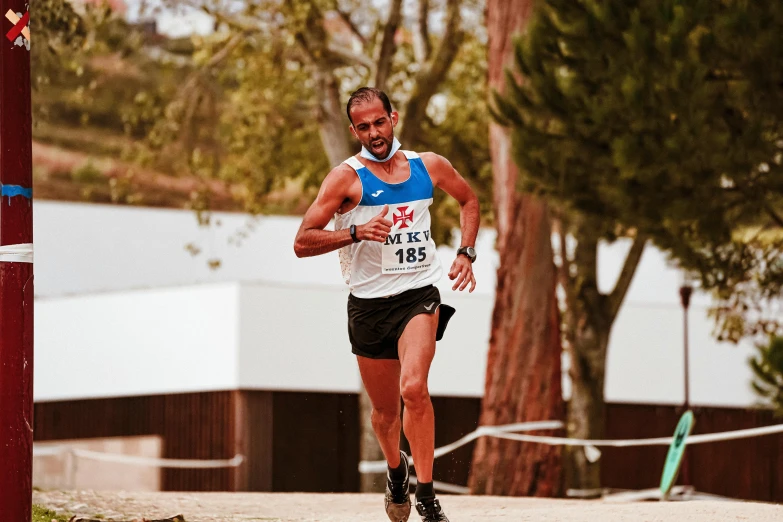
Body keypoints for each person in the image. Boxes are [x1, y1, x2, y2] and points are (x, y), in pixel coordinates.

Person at [294, 87, 479, 522]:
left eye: (379, 122)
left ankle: (428, 497)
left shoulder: (428, 166)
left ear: (392, 117)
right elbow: (302, 241)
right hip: (368, 305)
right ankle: (397, 472)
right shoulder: (346, 178)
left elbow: (469, 199)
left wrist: (465, 252)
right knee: (382, 413)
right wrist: (355, 233)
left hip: (418, 295)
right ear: (354, 130)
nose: (374, 133)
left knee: (413, 389)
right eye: (363, 127)